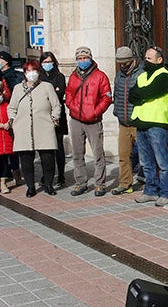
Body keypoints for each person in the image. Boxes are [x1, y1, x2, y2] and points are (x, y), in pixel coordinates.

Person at [8, 60, 63, 197]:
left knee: (47, 158)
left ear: (38, 72)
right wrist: (13, 121)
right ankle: (30, 186)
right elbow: (12, 107)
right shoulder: (17, 88)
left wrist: (54, 119)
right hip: (23, 127)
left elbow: (56, 105)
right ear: (24, 73)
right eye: (28, 71)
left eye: (34, 70)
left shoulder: (47, 86)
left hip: (44, 126)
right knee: (26, 159)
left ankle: (48, 184)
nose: (31, 74)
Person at [130, 46, 168, 206]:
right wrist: (141, 95)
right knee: (145, 161)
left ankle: (167, 192)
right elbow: (132, 95)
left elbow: (149, 92)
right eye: (145, 57)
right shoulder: (142, 76)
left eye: (149, 58)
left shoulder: (164, 76)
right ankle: (150, 191)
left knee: (162, 161)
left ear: (159, 59)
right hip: (141, 122)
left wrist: (141, 95)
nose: (145, 61)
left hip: (157, 123)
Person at [65, 46, 111, 196]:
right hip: (76, 120)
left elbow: (107, 97)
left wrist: (95, 111)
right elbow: (69, 93)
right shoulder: (73, 76)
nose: (82, 61)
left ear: (90, 58)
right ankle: (80, 183)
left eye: (85, 58)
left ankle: (100, 183)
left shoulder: (100, 76)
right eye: (80, 58)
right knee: (78, 153)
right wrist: (71, 106)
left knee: (98, 153)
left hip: (93, 120)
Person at [111, 47, 144, 195]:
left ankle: (152, 183)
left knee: (147, 155)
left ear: (132, 60)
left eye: (125, 62)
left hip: (138, 121)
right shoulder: (119, 76)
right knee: (124, 155)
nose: (123, 65)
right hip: (123, 122)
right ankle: (125, 184)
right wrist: (117, 112)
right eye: (120, 63)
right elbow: (116, 95)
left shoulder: (142, 73)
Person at [38, 51, 69, 189]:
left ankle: (61, 175)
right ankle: (47, 175)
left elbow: (60, 93)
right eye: (44, 62)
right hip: (42, 117)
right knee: (45, 149)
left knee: (59, 148)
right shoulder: (39, 77)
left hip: (57, 117)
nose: (47, 65)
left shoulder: (59, 76)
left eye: (49, 62)